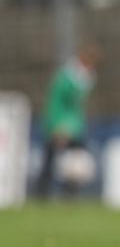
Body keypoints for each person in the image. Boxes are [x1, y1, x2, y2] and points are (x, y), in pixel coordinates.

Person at [35, 42, 102, 198]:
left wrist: (74, 126)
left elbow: (77, 107)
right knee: (50, 160)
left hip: (74, 126)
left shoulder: (87, 78)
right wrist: (58, 126)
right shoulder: (65, 77)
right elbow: (56, 103)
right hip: (58, 124)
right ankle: (42, 194)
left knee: (75, 160)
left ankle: (70, 194)